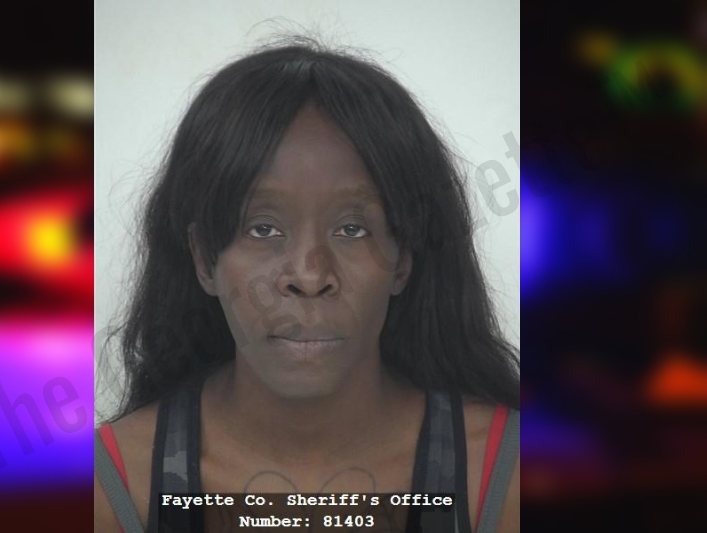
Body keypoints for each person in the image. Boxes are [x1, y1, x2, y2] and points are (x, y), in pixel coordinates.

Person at [94, 38, 519, 533]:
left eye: (352, 229)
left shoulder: (508, 475)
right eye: (262, 229)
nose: (310, 277)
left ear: (402, 259)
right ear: (204, 260)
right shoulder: (111, 488)